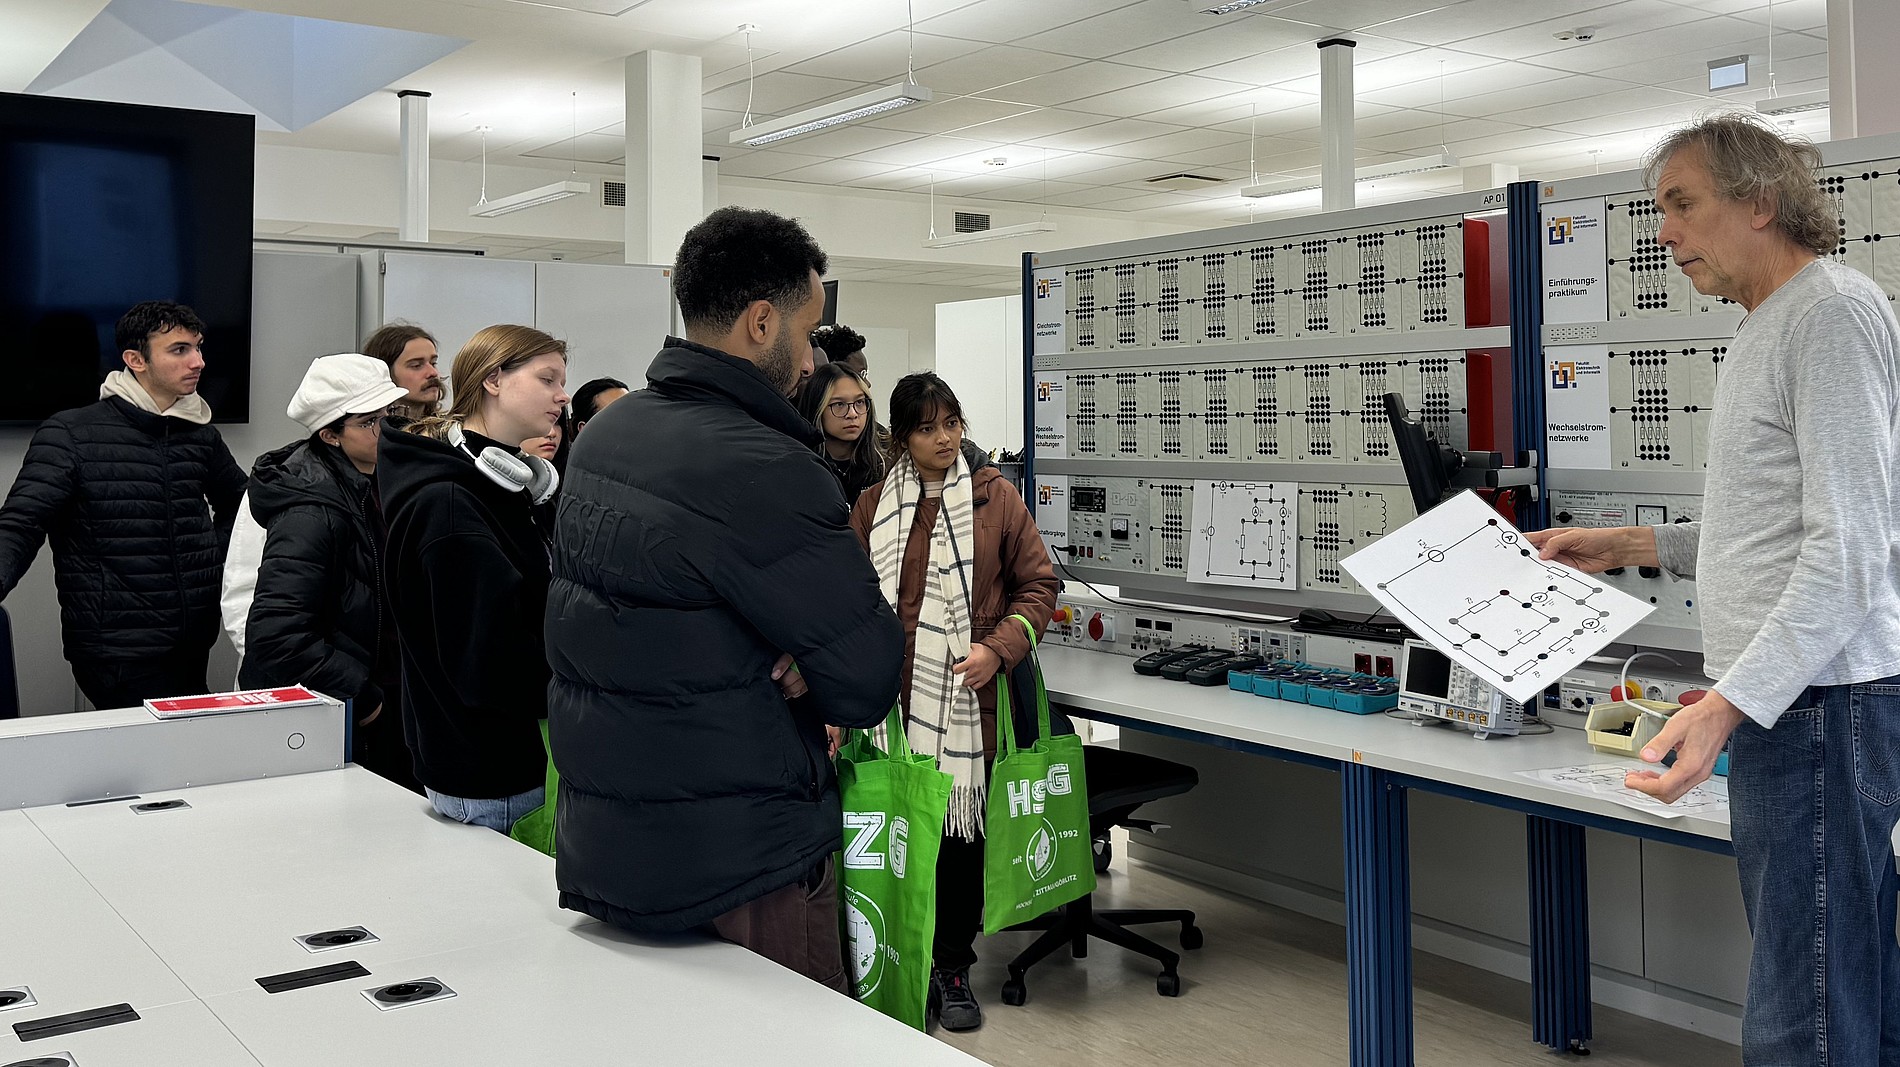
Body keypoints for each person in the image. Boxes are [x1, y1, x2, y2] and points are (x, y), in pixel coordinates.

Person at [1527, 114, 1900, 1066]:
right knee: (1843, 985)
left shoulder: (1827, 316)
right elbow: (1770, 531)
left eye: (1682, 205)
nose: (1664, 234)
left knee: (1803, 1016)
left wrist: (1728, 704)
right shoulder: (1767, 324)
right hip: (1797, 706)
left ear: (1761, 202)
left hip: (1820, 708)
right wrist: (1628, 543)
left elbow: (1850, 550)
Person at [546, 206, 903, 990]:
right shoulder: (767, 466)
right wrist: (803, 654)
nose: (810, 360)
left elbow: (636, 625)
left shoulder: (605, 437)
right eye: (806, 332)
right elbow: (866, 677)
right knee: (788, 1040)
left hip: (611, 849)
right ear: (761, 321)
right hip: (744, 865)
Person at [848, 372, 1057, 1032]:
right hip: (893, 700)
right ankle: (898, 958)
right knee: (904, 834)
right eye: (926, 427)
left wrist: (998, 648)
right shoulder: (874, 504)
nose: (943, 438)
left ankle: (952, 966)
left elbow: (1039, 586)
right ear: (901, 438)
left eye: (952, 423)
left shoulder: (997, 496)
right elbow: (848, 602)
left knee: (959, 839)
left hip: (972, 699)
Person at [0, 301, 247, 708]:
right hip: (117, 650)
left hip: (192, 639)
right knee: (162, 743)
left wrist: (208, 557)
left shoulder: (198, 433)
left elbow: (240, 505)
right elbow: (21, 523)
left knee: (185, 740)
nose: (198, 361)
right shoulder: (70, 433)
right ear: (136, 360)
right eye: (179, 349)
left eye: (198, 347)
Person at [378, 324, 569, 833]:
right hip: (496, 772)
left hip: (511, 757)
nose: (562, 396)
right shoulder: (450, 504)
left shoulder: (504, 489)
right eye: (547, 379)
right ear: (493, 380)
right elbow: (487, 667)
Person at [237, 355, 414, 790]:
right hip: (337, 712)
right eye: (369, 422)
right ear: (330, 435)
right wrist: (363, 697)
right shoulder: (311, 511)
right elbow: (275, 635)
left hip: (380, 697)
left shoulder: (380, 480)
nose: (387, 430)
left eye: (391, 414)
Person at [792, 362, 884, 504]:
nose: (852, 414)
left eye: (860, 402)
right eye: (839, 404)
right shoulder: (800, 466)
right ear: (818, 409)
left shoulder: (884, 461)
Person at [363, 323, 444, 419]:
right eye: (416, 365)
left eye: (433, 363)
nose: (433, 373)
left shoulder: (450, 427)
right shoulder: (367, 428)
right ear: (386, 372)